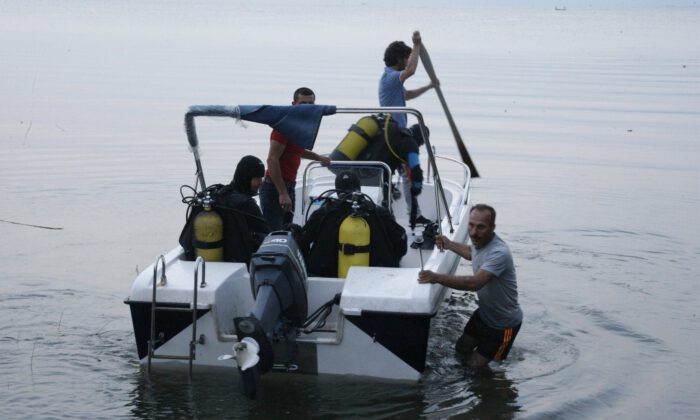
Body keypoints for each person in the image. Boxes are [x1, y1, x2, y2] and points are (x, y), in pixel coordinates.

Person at [418, 204, 523, 368]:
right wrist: (449, 244)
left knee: (477, 368)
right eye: (471, 225)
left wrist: (437, 278)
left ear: (492, 228)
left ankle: (495, 386)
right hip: (484, 314)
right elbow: (470, 252)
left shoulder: (499, 253)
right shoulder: (480, 242)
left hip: (503, 325)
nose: (474, 232)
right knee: (461, 348)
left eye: (480, 227)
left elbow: (474, 283)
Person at [379, 30, 438, 224]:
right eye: (406, 58)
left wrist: (429, 86)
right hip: (394, 134)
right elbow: (411, 70)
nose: (407, 61)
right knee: (407, 175)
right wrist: (417, 46)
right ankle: (413, 214)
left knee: (405, 174)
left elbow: (408, 95)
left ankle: (410, 212)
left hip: (395, 132)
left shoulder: (392, 79)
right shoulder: (390, 77)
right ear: (399, 58)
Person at [260, 87, 331, 231]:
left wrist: (317, 157)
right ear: (294, 104)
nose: (307, 108)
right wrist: (283, 193)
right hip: (275, 188)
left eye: (311, 105)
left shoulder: (298, 127)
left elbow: (295, 151)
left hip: (289, 186)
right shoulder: (283, 127)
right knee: (275, 234)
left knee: (287, 231)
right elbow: (272, 160)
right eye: (303, 104)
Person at [179, 155, 270, 264]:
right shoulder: (246, 204)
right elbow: (267, 234)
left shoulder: (219, 195)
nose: (261, 182)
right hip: (236, 261)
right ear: (245, 177)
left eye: (261, 178)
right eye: (257, 178)